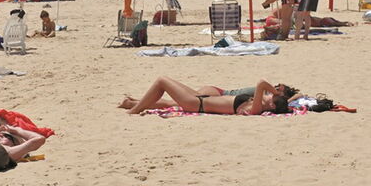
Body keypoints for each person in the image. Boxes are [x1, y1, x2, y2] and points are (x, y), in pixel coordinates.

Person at [122, 78, 289, 116]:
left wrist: (275, 93)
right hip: (200, 100)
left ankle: (135, 110)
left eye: (270, 98)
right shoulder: (257, 105)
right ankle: (133, 104)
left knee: (161, 82)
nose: (267, 95)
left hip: (196, 104)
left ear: (272, 106)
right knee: (168, 98)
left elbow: (261, 84)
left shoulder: (256, 109)